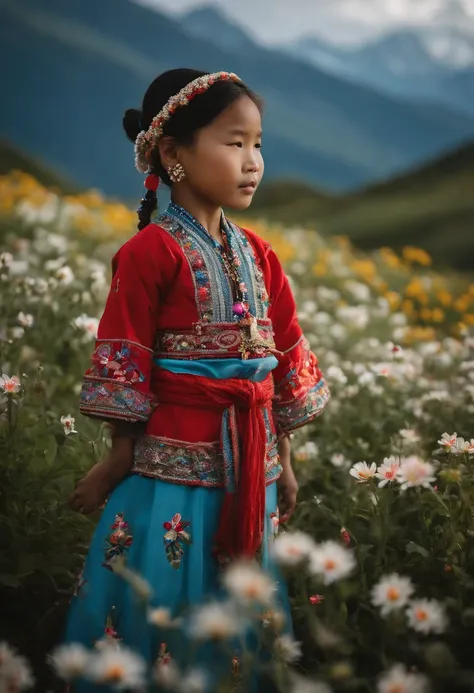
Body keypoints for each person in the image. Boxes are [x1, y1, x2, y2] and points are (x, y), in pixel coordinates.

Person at [65, 68, 330, 690]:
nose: (252, 162)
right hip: (167, 471)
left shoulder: (261, 255)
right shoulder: (147, 254)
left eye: (258, 144)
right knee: (164, 590)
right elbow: (124, 358)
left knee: (238, 596)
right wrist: (117, 456)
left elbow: (282, 361)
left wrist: (283, 459)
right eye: (233, 143)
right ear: (171, 153)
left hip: (253, 464)